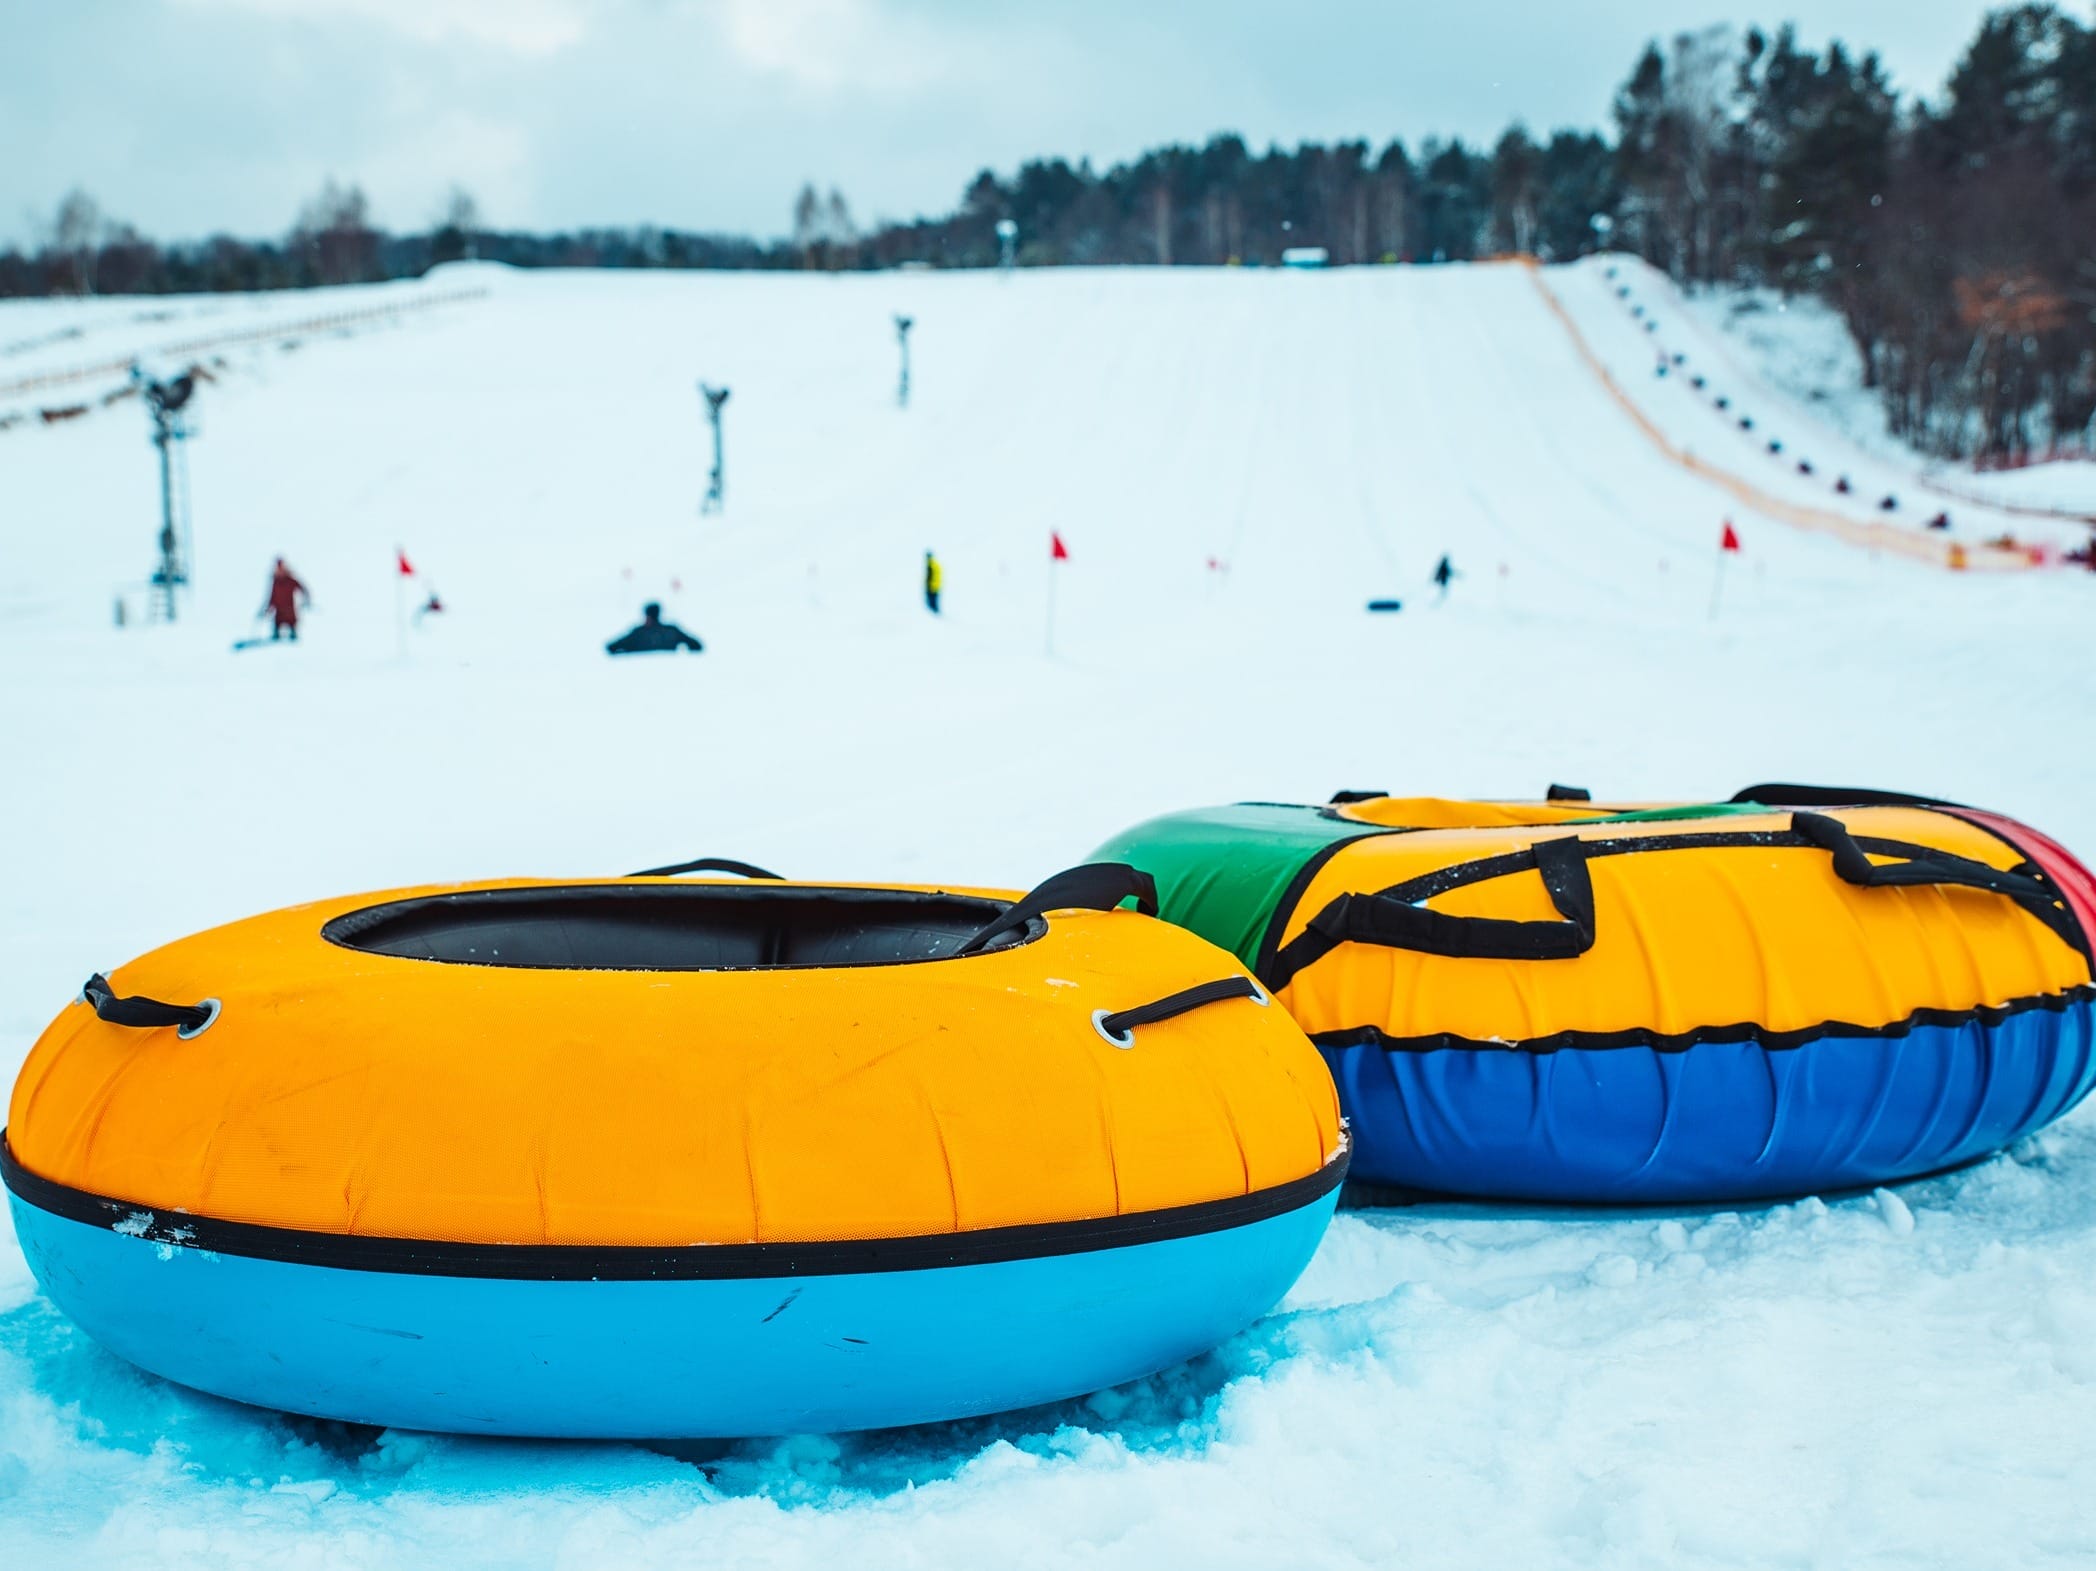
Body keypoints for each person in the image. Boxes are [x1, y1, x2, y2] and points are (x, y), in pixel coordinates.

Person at [606, 602, 702, 656]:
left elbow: (612, 647)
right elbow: (696, 645)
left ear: (647, 616)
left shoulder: (638, 633)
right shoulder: (671, 631)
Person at [262, 557, 308, 641]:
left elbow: (302, 588)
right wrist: (269, 608)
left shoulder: (290, 580)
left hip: (290, 609)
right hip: (279, 610)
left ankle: (293, 633)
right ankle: (276, 634)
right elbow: (272, 596)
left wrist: (306, 598)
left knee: (292, 622)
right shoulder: (276, 582)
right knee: (277, 623)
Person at [924, 550, 942, 615]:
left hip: (932, 586)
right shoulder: (936, 564)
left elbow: (929, 577)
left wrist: (929, 586)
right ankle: (937, 614)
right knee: (935, 602)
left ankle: (935, 617)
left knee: (931, 604)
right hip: (937, 585)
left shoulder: (930, 565)